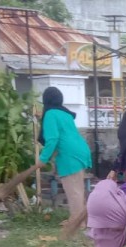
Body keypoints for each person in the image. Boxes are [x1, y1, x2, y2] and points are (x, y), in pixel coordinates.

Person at [37, 87, 93, 237]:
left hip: (70, 154)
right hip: (80, 150)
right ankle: (79, 219)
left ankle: (77, 222)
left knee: (72, 190)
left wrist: (43, 158)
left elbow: (53, 139)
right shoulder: (63, 113)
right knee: (78, 189)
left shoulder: (50, 114)